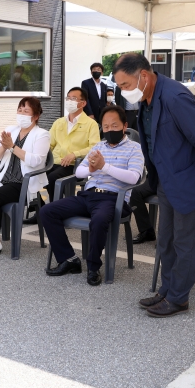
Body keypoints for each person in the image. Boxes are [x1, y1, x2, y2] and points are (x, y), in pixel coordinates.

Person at [113, 53, 195, 318]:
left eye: (125, 85)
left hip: (188, 180)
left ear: (143, 75)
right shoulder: (147, 98)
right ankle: (167, 290)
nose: (123, 91)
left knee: (185, 243)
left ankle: (179, 298)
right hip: (165, 179)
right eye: (120, 86)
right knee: (166, 241)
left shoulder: (175, 97)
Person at [39, 106, 144, 286]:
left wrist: (104, 167)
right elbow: (79, 172)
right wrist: (91, 169)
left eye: (114, 126)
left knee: (99, 220)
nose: (110, 130)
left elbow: (134, 177)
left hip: (113, 198)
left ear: (125, 126)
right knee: (47, 211)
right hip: (88, 195)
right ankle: (69, 259)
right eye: (106, 127)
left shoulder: (134, 148)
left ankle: (93, 267)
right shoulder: (99, 146)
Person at [0, 97, 50, 259]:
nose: (21, 114)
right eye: (20, 110)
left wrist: (12, 147)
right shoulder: (11, 130)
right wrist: (4, 147)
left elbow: (36, 161)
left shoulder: (42, 134)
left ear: (35, 116)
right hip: (3, 178)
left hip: (22, 183)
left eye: (26, 111)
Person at [23, 87, 100, 224]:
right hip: (54, 162)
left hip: (74, 165)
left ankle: (56, 212)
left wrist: (75, 154)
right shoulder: (59, 122)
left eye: (74, 98)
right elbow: (49, 144)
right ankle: (40, 209)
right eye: (68, 98)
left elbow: (94, 147)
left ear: (83, 103)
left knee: (51, 178)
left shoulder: (91, 124)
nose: (69, 101)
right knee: (29, 174)